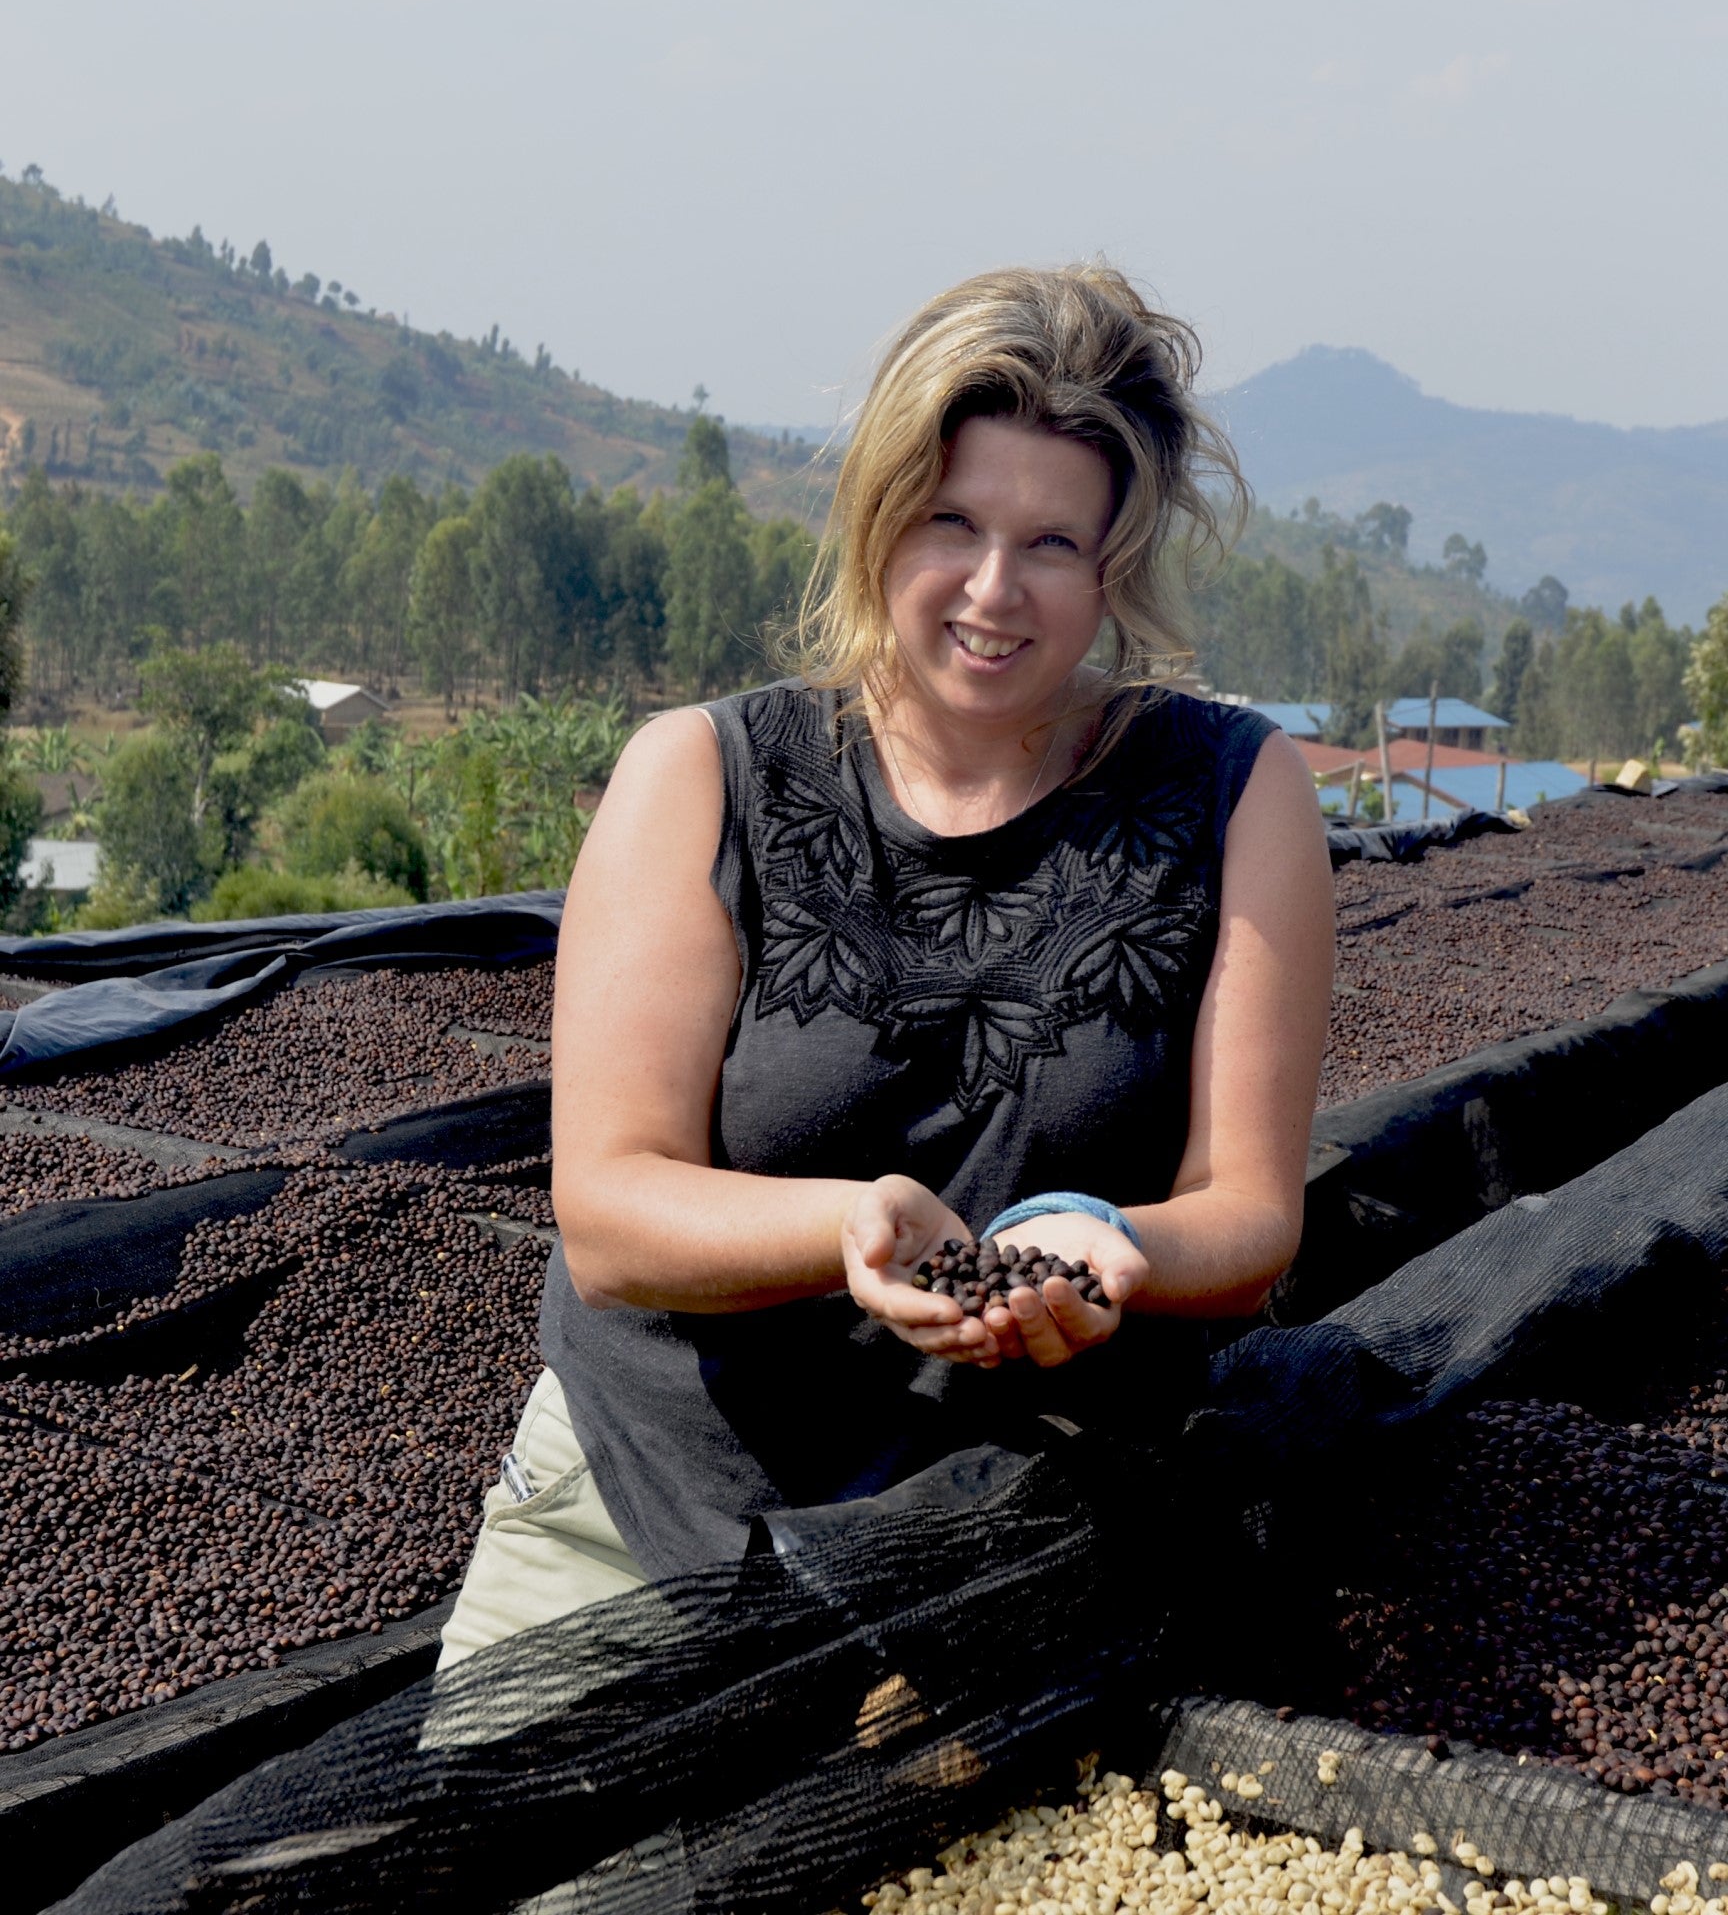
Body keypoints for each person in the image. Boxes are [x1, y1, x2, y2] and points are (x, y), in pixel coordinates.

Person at [436, 266, 1336, 1666]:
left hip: (1025, 1513)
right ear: (878, 518)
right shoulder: (706, 774)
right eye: (952, 524)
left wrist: (1114, 1249)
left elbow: (1251, 1216)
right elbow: (609, 1213)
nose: (993, 590)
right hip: (658, 1488)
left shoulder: (1232, 790)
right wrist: (852, 1229)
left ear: (1115, 563)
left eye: (1051, 543)